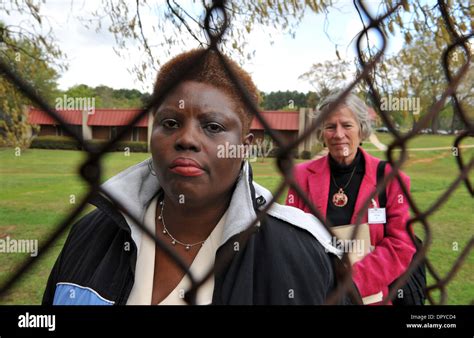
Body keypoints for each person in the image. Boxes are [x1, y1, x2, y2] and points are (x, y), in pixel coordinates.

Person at [43, 49, 351, 305]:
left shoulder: (305, 253)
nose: (186, 139)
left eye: (213, 127)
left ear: (244, 146)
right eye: (170, 122)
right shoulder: (89, 235)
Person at [286, 92, 416, 305]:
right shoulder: (300, 177)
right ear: (322, 133)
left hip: (369, 296)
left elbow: (401, 244)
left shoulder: (391, 178)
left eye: (346, 125)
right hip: (316, 293)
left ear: (362, 130)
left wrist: (351, 284)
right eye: (330, 127)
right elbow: (290, 239)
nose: (338, 134)